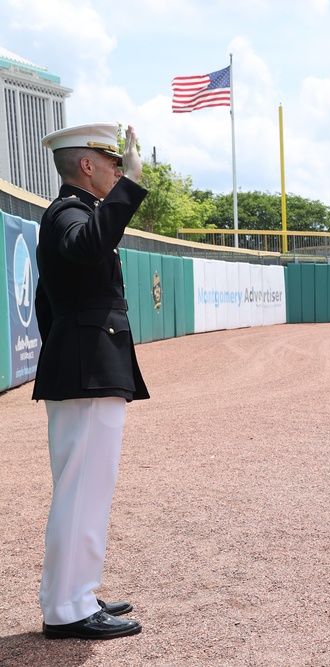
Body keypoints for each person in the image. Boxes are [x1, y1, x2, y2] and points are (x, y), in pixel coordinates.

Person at [33, 123, 148, 639]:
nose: (118, 170)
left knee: (84, 488)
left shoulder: (70, 214)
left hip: (81, 363)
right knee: (82, 489)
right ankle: (67, 608)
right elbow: (90, 246)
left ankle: (75, 593)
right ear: (87, 165)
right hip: (86, 366)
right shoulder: (70, 213)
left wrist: (65, 349)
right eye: (112, 163)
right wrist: (133, 188)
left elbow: (45, 302)